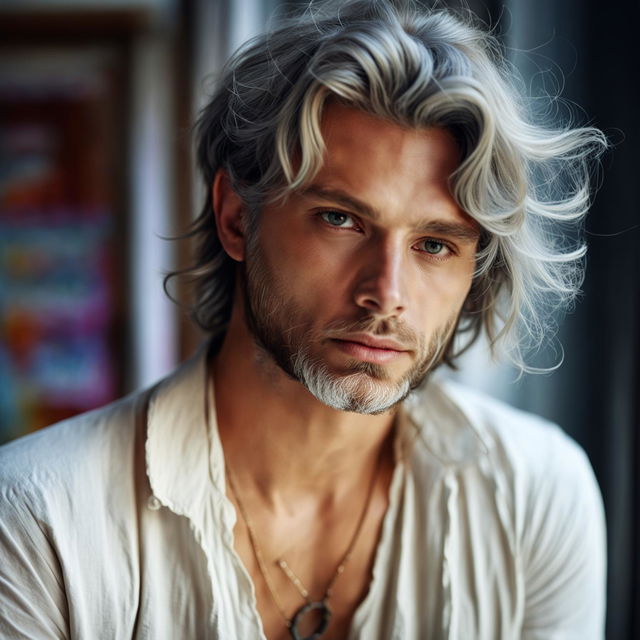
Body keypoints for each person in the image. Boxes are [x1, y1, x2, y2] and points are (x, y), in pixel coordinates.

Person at [0, 1, 607, 638]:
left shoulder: (534, 497)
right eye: (341, 220)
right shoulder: (41, 523)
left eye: (434, 244)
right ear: (237, 218)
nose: (386, 294)